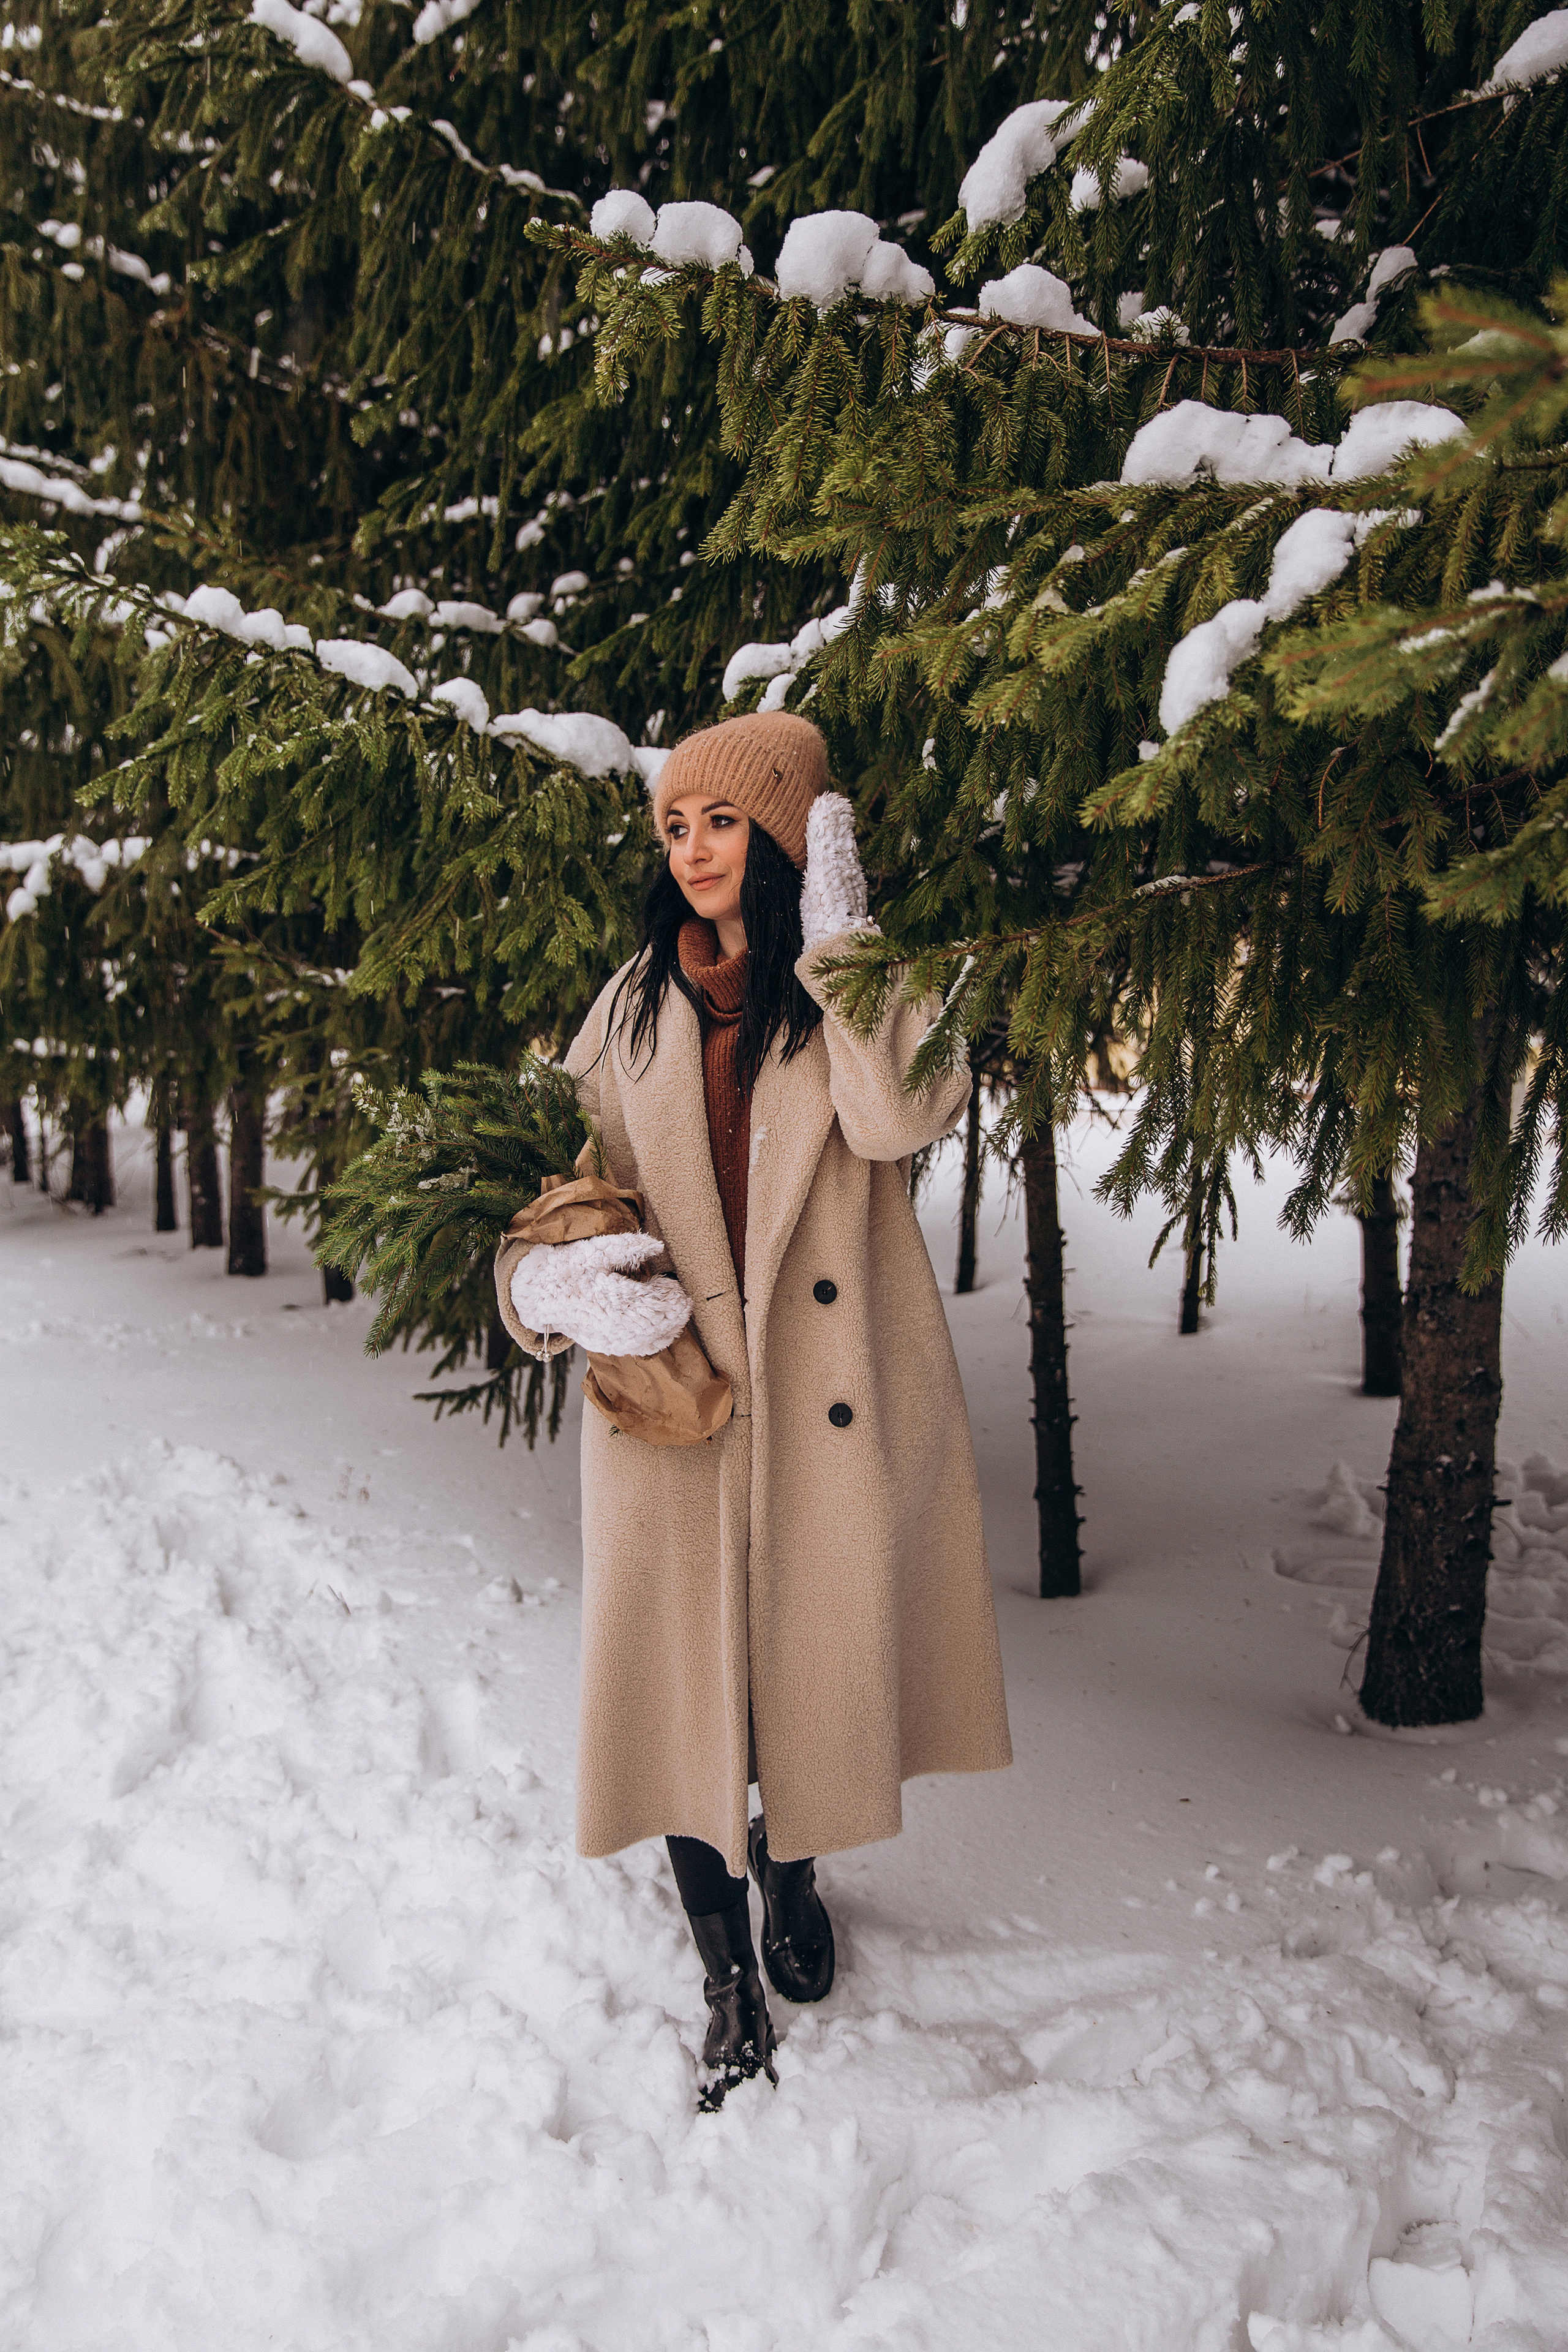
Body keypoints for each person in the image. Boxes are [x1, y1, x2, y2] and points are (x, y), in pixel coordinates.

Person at [498, 710, 1012, 2109]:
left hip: (823, 1399)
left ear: (783, 835)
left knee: (795, 1672)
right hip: (672, 1402)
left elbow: (906, 1118)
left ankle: (791, 1877)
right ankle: (725, 1971)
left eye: (720, 820)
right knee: (679, 1699)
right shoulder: (623, 1011)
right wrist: (548, 1286)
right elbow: (561, 1201)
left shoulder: (847, 992)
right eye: (674, 826)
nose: (692, 849)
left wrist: (844, 950)